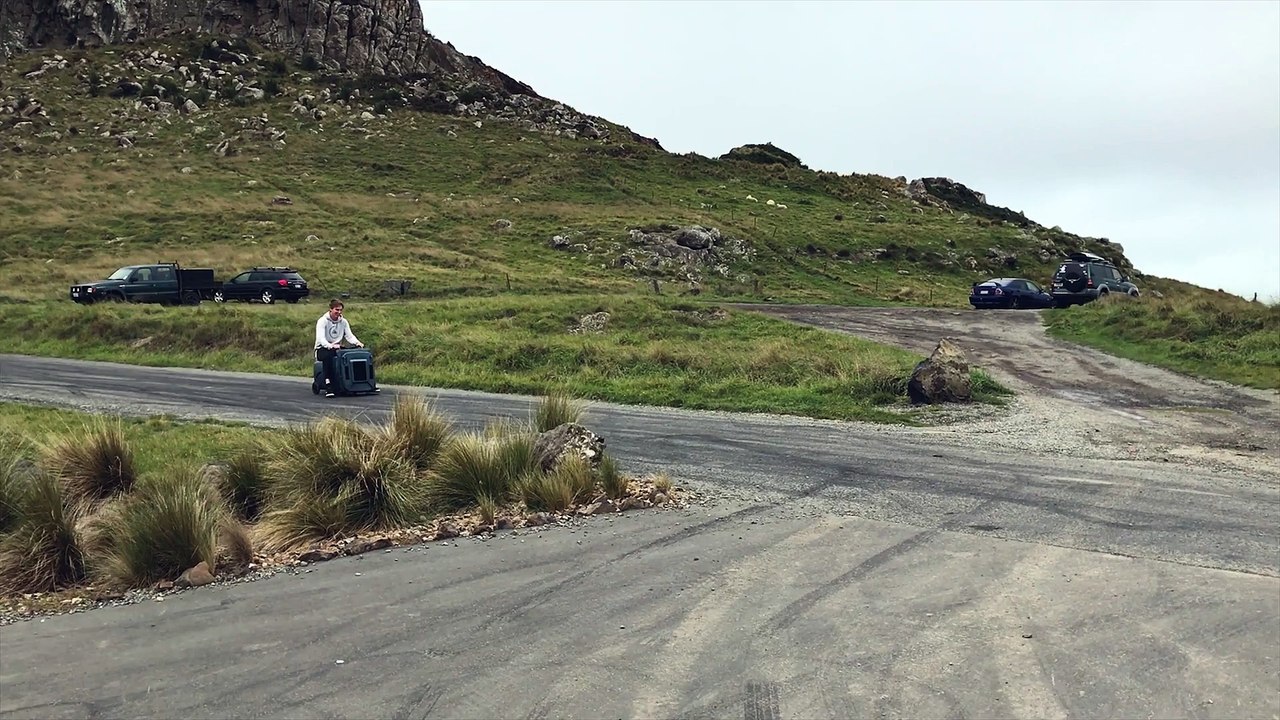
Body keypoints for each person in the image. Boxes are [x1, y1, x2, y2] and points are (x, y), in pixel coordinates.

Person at [314, 299, 362, 398]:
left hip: (337, 348)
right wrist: (330, 345)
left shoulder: (343, 322)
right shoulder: (322, 321)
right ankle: (328, 385)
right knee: (329, 356)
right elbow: (321, 339)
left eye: (340, 310)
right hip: (322, 349)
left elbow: (349, 336)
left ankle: (358, 384)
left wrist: (357, 343)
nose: (339, 312)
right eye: (337, 310)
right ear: (330, 309)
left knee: (354, 354)